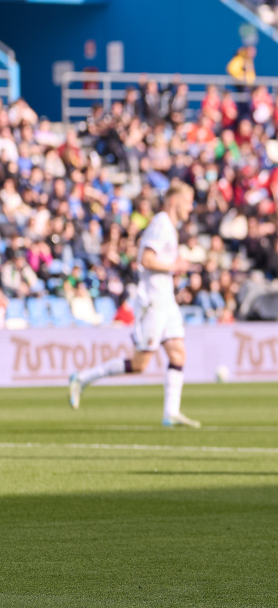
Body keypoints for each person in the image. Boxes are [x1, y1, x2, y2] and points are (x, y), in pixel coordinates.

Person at [69, 181, 201, 427]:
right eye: (188, 201)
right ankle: (83, 378)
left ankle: (170, 413)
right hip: (153, 301)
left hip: (166, 300)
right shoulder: (162, 223)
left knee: (178, 352)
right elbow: (146, 259)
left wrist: (175, 265)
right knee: (140, 364)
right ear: (174, 201)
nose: (191, 208)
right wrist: (175, 266)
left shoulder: (169, 227)